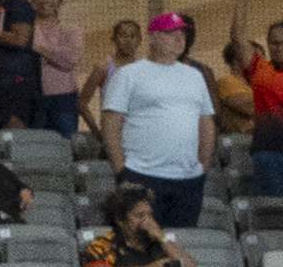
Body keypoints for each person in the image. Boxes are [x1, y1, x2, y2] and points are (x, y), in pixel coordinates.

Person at [94, 13, 229, 228]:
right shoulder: (129, 74)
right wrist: (121, 171)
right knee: (141, 243)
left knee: (180, 245)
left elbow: (206, 123)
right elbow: (111, 123)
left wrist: (202, 168)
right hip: (140, 175)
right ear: (153, 37)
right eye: (171, 34)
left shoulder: (195, 76)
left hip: (188, 179)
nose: (179, 39)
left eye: (182, 34)